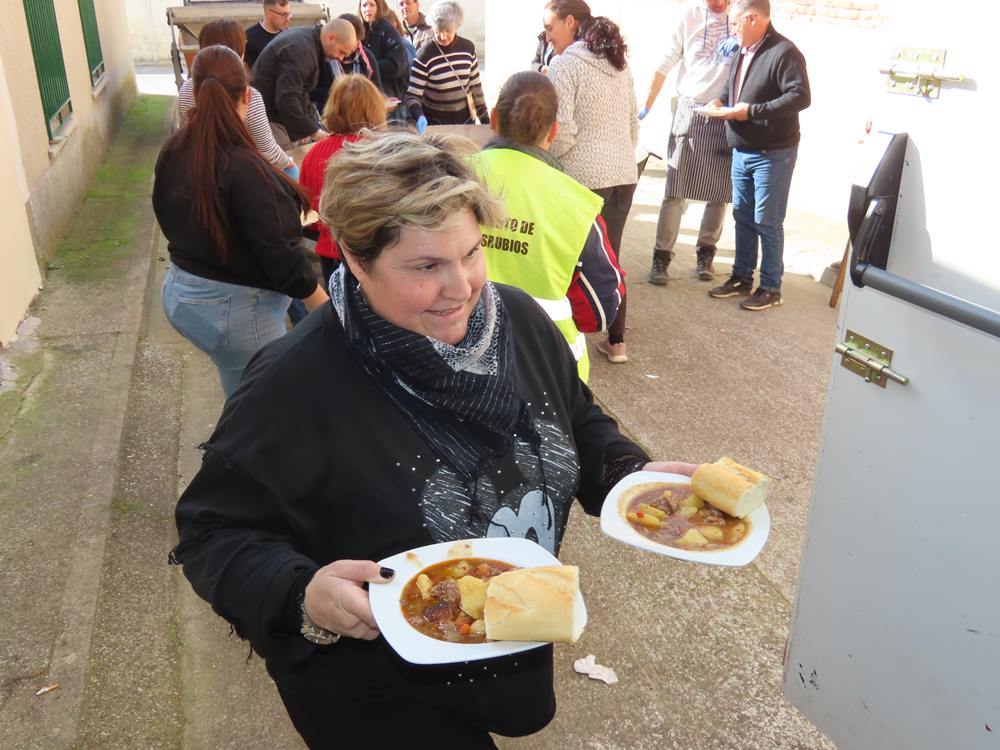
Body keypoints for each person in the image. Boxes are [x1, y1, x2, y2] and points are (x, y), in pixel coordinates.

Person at [171, 127, 697, 748]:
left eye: (472, 252)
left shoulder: (518, 320)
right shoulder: (293, 386)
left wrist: (625, 477)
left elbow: (574, 417)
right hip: (375, 688)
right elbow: (212, 533)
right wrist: (300, 593)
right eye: (425, 266)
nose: (464, 287)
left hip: (501, 641)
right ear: (358, 260)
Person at [153, 46, 328, 399]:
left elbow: (167, 214)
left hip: (182, 294)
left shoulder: (174, 148)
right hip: (231, 313)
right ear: (248, 96)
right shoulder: (246, 168)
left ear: (195, 92)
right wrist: (329, 314)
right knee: (266, 411)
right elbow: (283, 259)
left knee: (243, 394)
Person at [473, 71, 625, 382]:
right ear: (553, 131)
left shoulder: (450, 179)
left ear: (493, 119)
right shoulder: (576, 203)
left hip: (461, 364)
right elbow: (601, 307)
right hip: (549, 375)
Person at [545, 0, 638, 364]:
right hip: (623, 173)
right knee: (611, 257)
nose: (548, 36)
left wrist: (556, 158)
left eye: (551, 28)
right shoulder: (620, 65)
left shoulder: (564, 65)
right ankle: (617, 341)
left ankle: (569, 340)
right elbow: (633, 124)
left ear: (570, 23)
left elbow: (562, 130)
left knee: (571, 259)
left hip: (584, 176)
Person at [708, 0, 810, 310]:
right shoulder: (744, 49)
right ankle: (741, 277)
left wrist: (751, 112)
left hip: (773, 152)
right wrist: (721, 101)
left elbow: (800, 96)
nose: (733, 28)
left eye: (737, 22)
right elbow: (735, 89)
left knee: (767, 220)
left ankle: (770, 287)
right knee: (743, 216)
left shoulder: (784, 52)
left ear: (753, 18)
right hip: (743, 148)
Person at [641, 0, 736, 286]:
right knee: (676, 186)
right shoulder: (690, 16)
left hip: (724, 111)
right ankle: (661, 257)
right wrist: (646, 105)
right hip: (690, 106)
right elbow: (665, 63)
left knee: (719, 190)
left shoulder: (741, 17)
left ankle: (706, 253)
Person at [176, 20, 296, 177]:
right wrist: (289, 163)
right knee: (292, 172)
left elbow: (185, 135)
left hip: (194, 169)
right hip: (238, 176)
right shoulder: (249, 96)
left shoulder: (187, 89)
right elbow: (268, 152)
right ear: (241, 49)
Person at [300, 75, 387, 287]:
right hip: (374, 253)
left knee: (339, 315)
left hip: (330, 255)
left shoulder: (314, 154)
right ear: (375, 107)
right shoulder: (381, 151)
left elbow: (308, 207)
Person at [251, 19, 358, 149]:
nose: (340, 58)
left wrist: (310, 125)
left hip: (273, 115)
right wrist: (315, 133)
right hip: (271, 119)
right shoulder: (302, 50)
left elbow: (300, 90)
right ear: (331, 38)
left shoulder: (307, 40)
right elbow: (287, 98)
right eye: (341, 52)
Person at [406, 0, 489, 131]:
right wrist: (419, 116)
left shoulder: (468, 49)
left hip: (465, 123)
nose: (443, 36)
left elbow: (476, 89)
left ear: (457, 26)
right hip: (436, 125)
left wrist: (485, 123)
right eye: (438, 31)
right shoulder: (424, 55)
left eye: (448, 30)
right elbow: (412, 96)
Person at [359, 0, 410, 107]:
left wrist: (369, 68)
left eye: (372, 5)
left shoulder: (387, 30)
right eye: (364, 5)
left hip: (389, 98)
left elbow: (397, 65)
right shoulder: (359, 31)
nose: (367, 9)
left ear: (378, 7)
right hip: (366, 98)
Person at [244, 0, 291, 69]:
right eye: (283, 15)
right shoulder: (249, 37)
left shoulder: (289, 35)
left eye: (289, 14)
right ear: (268, 13)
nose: (288, 19)